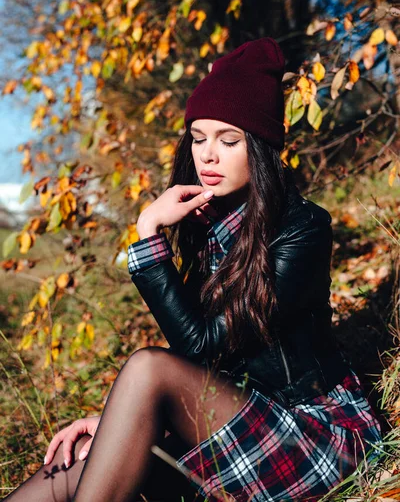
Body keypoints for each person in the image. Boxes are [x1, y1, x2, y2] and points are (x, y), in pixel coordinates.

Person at [3, 38, 382, 502]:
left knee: (146, 369)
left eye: (228, 140)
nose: (207, 155)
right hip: (242, 409)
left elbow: (200, 349)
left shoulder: (302, 230)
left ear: (260, 148)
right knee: (77, 464)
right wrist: (122, 418)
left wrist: (148, 236)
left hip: (311, 429)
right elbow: (212, 363)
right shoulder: (210, 227)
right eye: (199, 138)